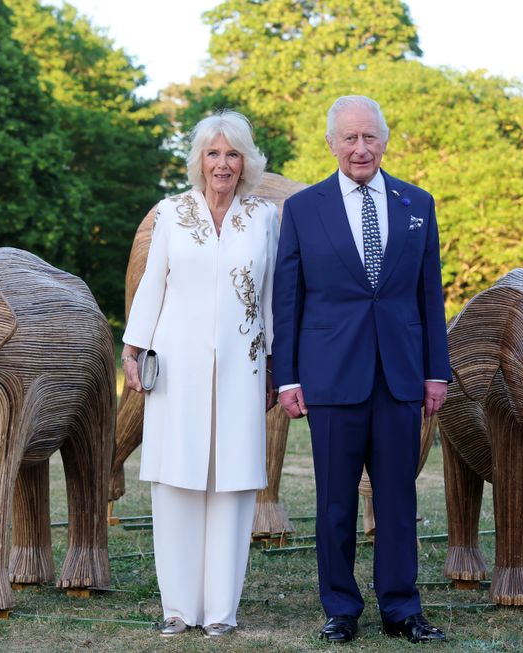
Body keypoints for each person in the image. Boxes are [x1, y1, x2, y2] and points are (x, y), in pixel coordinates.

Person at [272, 95, 450, 644]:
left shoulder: (417, 203)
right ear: (331, 144)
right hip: (329, 378)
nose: (360, 148)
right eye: (349, 138)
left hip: (399, 377)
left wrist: (435, 372)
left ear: (385, 140)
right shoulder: (304, 209)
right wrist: (289, 376)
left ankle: (402, 609)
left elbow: (429, 295)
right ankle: (340, 609)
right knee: (334, 502)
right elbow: (289, 296)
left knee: (398, 497)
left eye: (369, 136)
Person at [121, 110, 279, 639]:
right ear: (199, 161)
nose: (223, 164)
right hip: (177, 365)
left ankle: (219, 613)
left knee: (232, 485)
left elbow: (273, 295)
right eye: (213, 153)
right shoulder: (172, 212)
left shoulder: (262, 218)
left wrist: (276, 362)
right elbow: (152, 285)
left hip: (243, 364)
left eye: (232, 153)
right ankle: (177, 609)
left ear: (246, 162)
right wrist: (132, 348)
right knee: (176, 481)